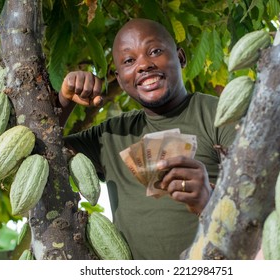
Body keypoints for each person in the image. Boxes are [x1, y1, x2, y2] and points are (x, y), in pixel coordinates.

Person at [59, 18, 236, 260]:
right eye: (129, 61)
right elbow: (41, 150)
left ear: (181, 58)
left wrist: (208, 202)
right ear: (120, 80)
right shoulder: (111, 135)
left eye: (155, 51)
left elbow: (258, 201)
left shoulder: (220, 115)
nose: (143, 65)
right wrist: (64, 101)